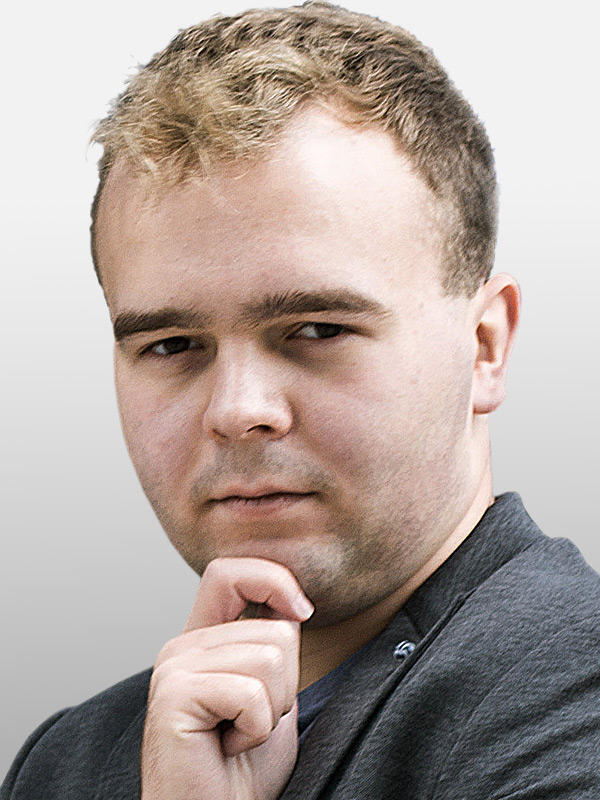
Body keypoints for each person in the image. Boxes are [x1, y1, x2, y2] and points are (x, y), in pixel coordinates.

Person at [3, 2, 599, 798]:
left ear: (486, 345)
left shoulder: (578, 697)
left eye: (317, 329)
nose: (237, 409)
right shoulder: (68, 764)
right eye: (172, 345)